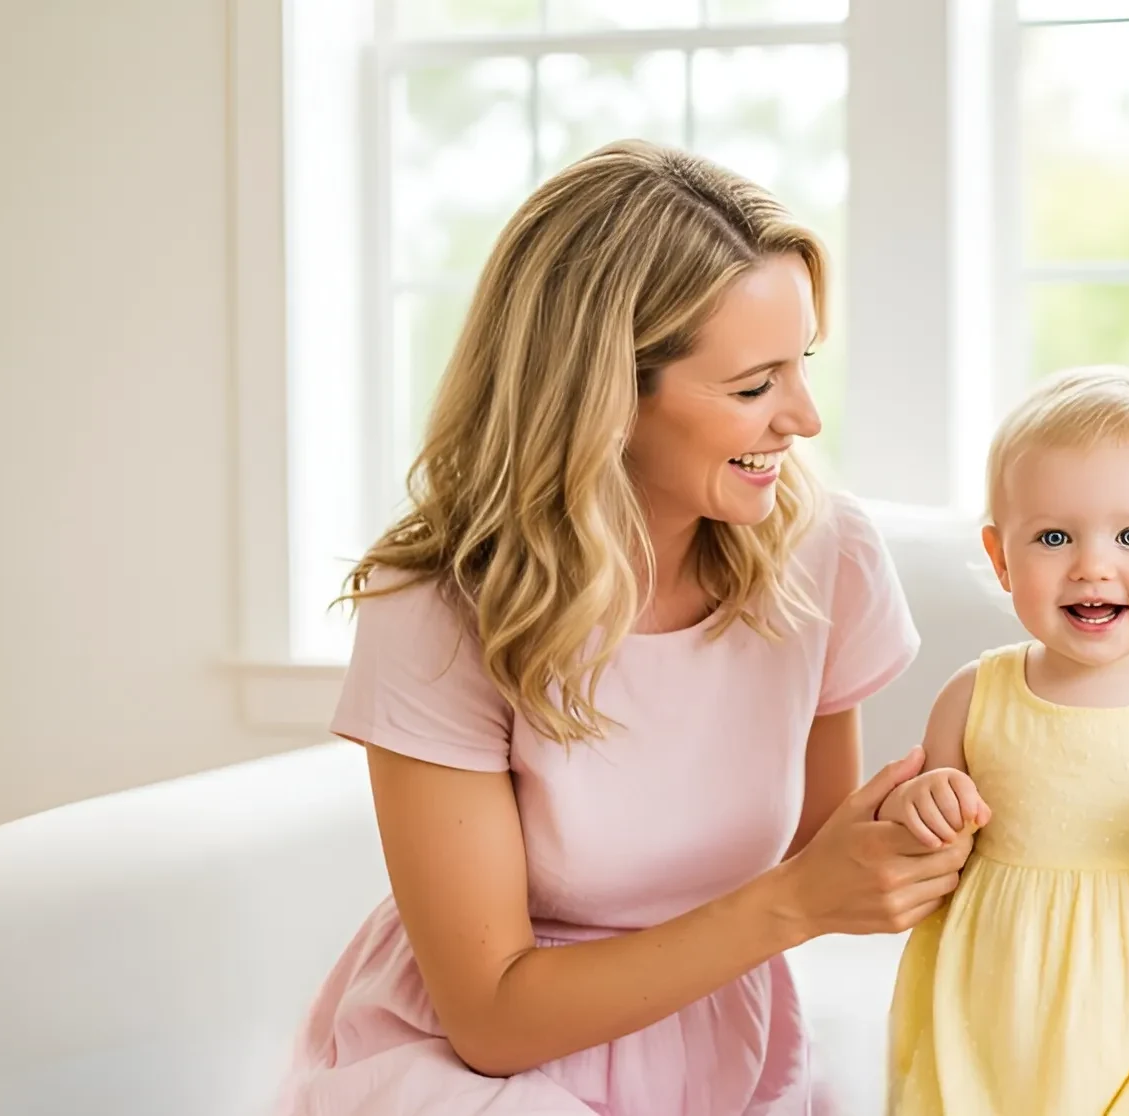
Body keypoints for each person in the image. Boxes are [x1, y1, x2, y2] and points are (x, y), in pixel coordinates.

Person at [274, 141, 972, 1115]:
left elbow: (819, 848)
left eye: (801, 364)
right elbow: (491, 1018)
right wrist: (796, 900)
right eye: (752, 385)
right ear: (602, 396)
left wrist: (948, 813)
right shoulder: (438, 606)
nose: (804, 418)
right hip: (484, 1070)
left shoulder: (824, 555)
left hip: (723, 1048)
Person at [881, 366, 1129, 1114]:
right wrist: (925, 804)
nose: (1093, 564)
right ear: (1002, 558)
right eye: (1054, 536)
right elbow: (920, 853)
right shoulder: (974, 697)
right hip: (992, 1013)